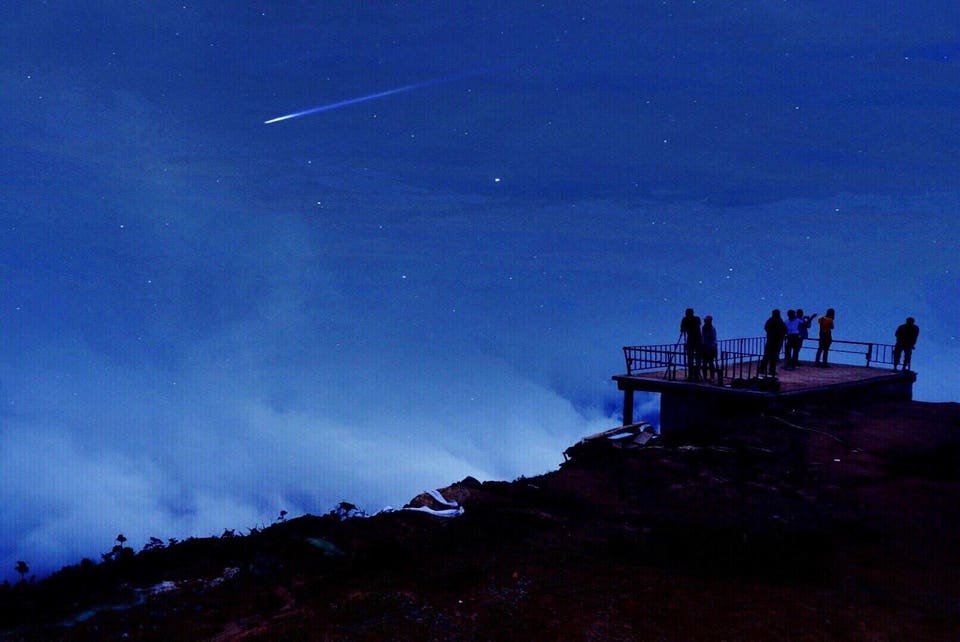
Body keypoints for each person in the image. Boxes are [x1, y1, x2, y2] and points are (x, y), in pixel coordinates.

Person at [758, 309, 787, 377]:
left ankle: (763, 369)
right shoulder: (780, 321)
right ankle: (771, 370)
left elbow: (766, 328)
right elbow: (784, 330)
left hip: (770, 340)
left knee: (767, 355)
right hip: (777, 341)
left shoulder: (770, 320)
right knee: (773, 356)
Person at [679, 308, 702, 381]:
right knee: (694, 358)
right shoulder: (695, 319)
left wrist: (686, 327)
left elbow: (684, 329)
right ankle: (694, 375)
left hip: (695, 340)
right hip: (695, 341)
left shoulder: (690, 319)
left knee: (693, 358)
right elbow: (682, 329)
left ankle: (694, 375)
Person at [700, 315, 718, 382]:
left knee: (710, 363)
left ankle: (712, 377)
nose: (704, 321)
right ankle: (705, 377)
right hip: (705, 348)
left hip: (710, 348)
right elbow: (703, 338)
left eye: (706, 320)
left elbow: (712, 340)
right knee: (705, 364)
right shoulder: (704, 328)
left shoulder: (711, 329)